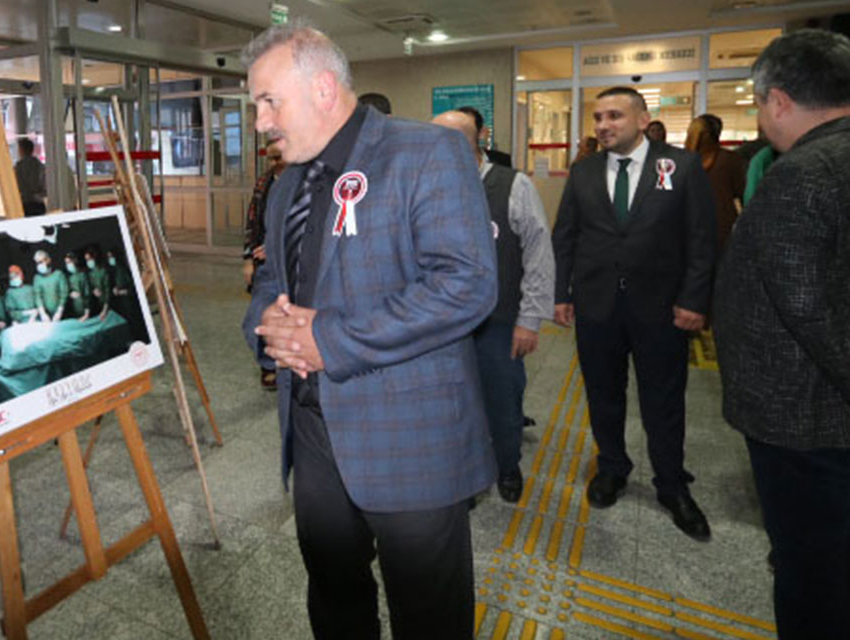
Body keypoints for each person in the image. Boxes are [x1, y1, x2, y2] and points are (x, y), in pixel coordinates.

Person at [241, 22, 497, 638]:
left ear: (324, 89)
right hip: (312, 433)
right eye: (255, 106)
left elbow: (466, 284)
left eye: (269, 101)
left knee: (428, 616)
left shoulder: (426, 153)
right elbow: (272, 278)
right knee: (335, 598)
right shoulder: (287, 184)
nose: (260, 122)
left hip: (407, 437)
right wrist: (267, 327)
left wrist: (329, 339)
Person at [714, 29, 850, 640]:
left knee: (813, 577)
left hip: (807, 422)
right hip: (825, 417)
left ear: (779, 100)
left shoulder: (803, 174)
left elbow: (808, 307)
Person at [552, 86, 715, 540]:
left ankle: (672, 484)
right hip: (597, 304)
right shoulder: (584, 171)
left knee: (663, 401)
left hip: (661, 308)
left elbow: (702, 239)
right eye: (598, 117)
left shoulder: (681, 167)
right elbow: (565, 236)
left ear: (643, 120)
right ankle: (612, 467)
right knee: (603, 393)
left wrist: (694, 300)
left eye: (615, 116)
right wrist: (561, 293)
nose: (603, 125)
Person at [433, 109, 555, 503]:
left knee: (503, 399)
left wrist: (530, 319)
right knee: (453, 403)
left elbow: (538, 253)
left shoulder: (512, 185)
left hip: (498, 321)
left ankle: (506, 466)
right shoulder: (428, 185)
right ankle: (466, 473)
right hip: (443, 324)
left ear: (475, 140)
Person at [245, 141, 287, 389]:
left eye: (278, 157)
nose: (274, 163)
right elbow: (252, 221)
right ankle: (269, 364)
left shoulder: (308, 183)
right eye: (270, 158)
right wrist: (248, 259)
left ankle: (284, 366)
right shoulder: (264, 183)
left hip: (292, 264)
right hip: (267, 266)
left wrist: (278, 246)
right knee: (255, 320)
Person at [685, 114, 747, 252]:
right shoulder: (730, 159)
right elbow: (741, 192)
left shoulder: (681, 162)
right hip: (719, 228)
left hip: (697, 230)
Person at [32, 250, 69, 323]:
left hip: (63, 314)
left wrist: (59, 311)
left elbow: (64, 293)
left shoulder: (59, 275)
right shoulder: (37, 278)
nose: (39, 265)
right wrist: (42, 313)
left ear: (48, 260)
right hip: (46, 316)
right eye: (37, 263)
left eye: (41, 262)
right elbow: (37, 296)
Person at [14, 138, 47, 216]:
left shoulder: (19, 166)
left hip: (25, 204)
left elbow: (16, 185)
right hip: (38, 204)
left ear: (21, 150)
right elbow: (44, 186)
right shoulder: (39, 165)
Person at [84, 248, 111, 319]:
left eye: (89, 259)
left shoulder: (103, 271)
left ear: (95, 258)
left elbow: (108, 291)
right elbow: (90, 288)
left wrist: (105, 310)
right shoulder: (90, 273)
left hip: (108, 304)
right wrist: (93, 290)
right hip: (97, 305)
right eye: (86, 260)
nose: (88, 262)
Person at [63, 252, 92, 320]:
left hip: (84, 310)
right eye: (66, 263)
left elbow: (87, 294)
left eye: (69, 262)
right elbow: (66, 292)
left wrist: (87, 313)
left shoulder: (82, 275)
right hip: (73, 311)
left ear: (74, 261)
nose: (68, 265)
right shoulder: (69, 277)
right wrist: (70, 294)